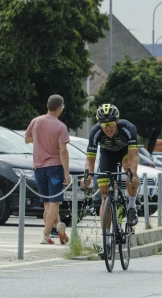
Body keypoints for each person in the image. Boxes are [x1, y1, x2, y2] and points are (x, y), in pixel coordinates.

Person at [81, 104, 139, 256]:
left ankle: (132, 206)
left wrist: (132, 173)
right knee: (104, 195)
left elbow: (133, 156)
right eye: (104, 125)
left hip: (125, 154)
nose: (108, 128)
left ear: (117, 121)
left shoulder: (128, 128)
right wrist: (88, 175)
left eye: (111, 124)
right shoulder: (95, 132)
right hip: (107, 157)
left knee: (129, 169)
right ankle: (106, 241)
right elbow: (90, 159)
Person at [25, 94, 70, 245]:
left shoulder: (35, 121)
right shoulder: (60, 126)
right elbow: (63, 151)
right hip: (55, 167)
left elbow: (27, 139)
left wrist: (38, 138)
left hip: (38, 167)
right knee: (55, 202)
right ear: (60, 108)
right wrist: (67, 172)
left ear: (47, 105)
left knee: (47, 204)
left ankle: (57, 229)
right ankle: (45, 234)